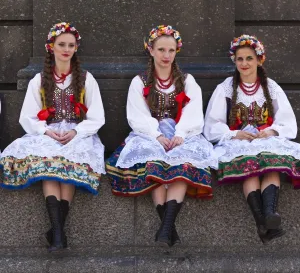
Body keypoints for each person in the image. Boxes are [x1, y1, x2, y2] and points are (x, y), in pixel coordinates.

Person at [106, 25, 218, 247]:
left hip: (181, 134)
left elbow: (194, 111)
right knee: (153, 164)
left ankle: (166, 229)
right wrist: (156, 135)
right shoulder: (140, 81)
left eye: (171, 50)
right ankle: (167, 229)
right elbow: (137, 114)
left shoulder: (187, 81)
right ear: (151, 50)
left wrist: (180, 134)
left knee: (183, 165)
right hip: (150, 135)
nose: (166, 56)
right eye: (161, 50)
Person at [0, 22, 105, 252]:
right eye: (61, 45)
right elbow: (27, 116)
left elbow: (97, 117)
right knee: (49, 162)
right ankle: (58, 233)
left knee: (68, 163)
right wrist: (46, 131)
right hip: (48, 131)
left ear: (76, 48)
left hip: (77, 133)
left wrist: (76, 131)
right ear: (51, 47)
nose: (66, 49)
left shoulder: (87, 79)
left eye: (71, 45)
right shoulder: (39, 80)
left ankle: (57, 232)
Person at [204, 34, 300, 243]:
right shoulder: (226, 88)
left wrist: (272, 131)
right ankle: (263, 221)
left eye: (249, 58)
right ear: (234, 61)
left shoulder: (271, 87)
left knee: (272, 164)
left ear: (259, 60)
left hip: (265, 139)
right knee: (249, 167)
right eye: (240, 59)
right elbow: (212, 124)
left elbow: (288, 122)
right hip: (238, 142)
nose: (245, 63)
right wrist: (234, 133)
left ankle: (269, 215)